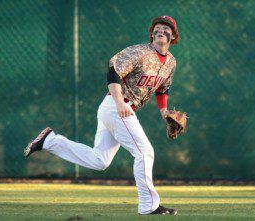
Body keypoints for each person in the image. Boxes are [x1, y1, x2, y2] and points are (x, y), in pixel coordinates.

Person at [24, 15, 180, 215]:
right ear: (152, 33)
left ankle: (50, 141)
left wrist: (165, 113)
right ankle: (149, 206)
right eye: (157, 28)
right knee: (144, 152)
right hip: (117, 106)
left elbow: (162, 90)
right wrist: (119, 102)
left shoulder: (171, 63)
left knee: (100, 160)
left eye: (166, 29)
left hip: (117, 109)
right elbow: (113, 70)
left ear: (173, 35)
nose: (161, 30)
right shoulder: (140, 51)